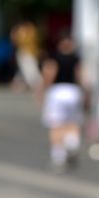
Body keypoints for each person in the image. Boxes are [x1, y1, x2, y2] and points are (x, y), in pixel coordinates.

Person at [39, 35, 85, 173]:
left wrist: (43, 91)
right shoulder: (76, 58)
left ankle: (58, 155)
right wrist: (84, 92)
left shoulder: (54, 58)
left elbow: (49, 75)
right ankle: (72, 142)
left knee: (56, 124)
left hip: (57, 91)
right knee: (72, 122)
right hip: (73, 91)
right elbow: (81, 76)